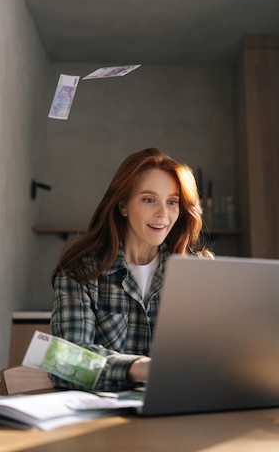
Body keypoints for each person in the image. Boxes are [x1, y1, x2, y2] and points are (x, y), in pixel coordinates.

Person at [50, 147, 213, 391]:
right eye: (149, 199)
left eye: (172, 202)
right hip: (103, 422)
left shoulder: (198, 272)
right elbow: (65, 362)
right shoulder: (81, 272)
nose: (163, 214)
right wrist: (140, 368)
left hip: (182, 413)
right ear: (123, 205)